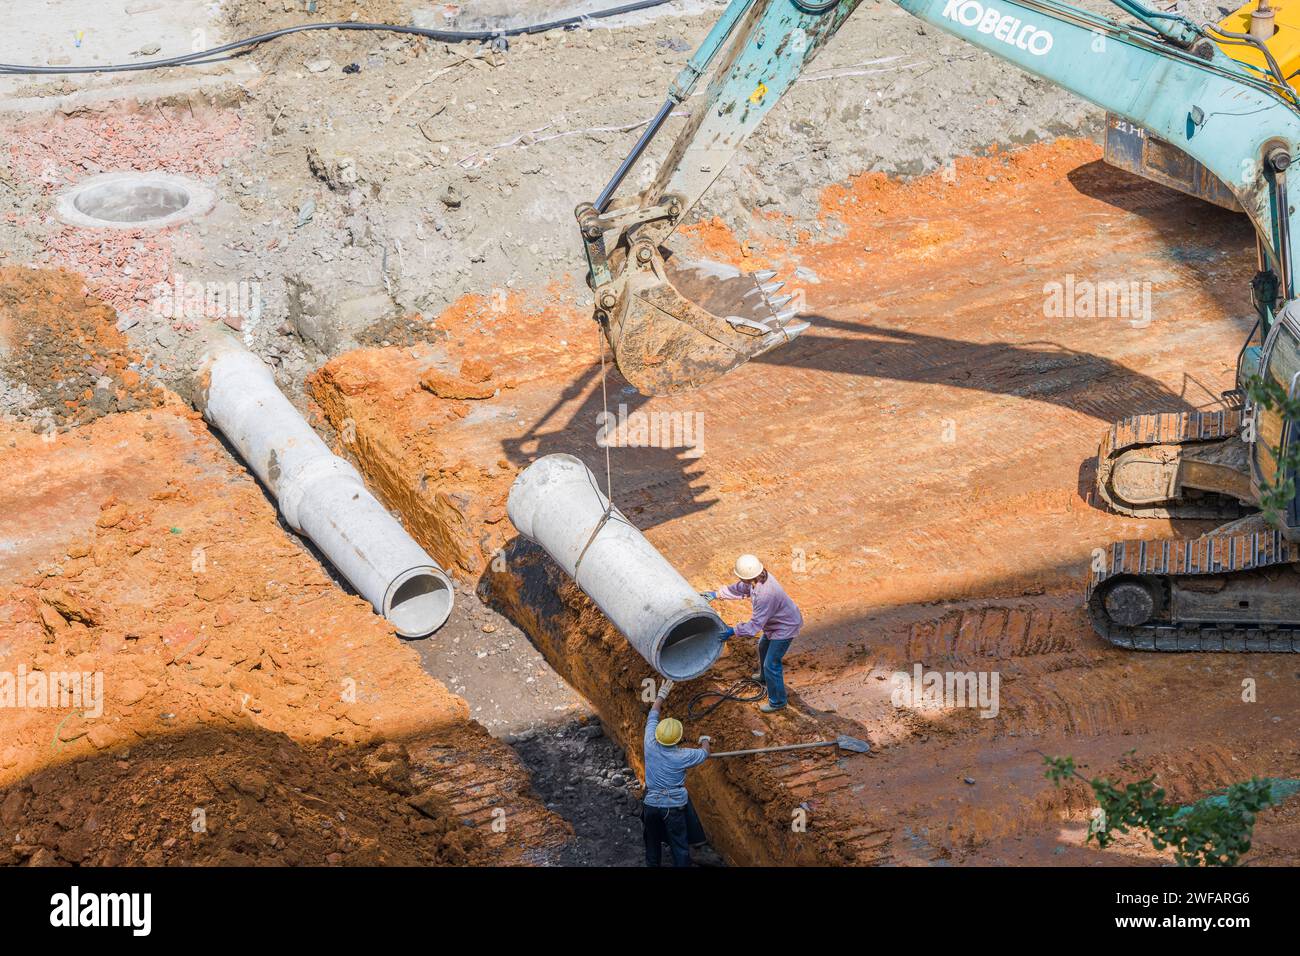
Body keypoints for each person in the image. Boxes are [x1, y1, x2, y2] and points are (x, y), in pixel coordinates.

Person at [702, 553, 803, 712]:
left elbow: (754, 625)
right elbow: (740, 588)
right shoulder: (757, 578)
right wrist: (717, 594)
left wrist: (732, 631)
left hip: (785, 627)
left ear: (748, 577)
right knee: (763, 646)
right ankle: (764, 677)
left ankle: (778, 702)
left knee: (771, 663)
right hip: (776, 623)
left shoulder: (765, 594)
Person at [640, 679, 711, 866]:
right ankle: (692, 849)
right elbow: (704, 753)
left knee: (652, 843)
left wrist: (661, 694)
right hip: (672, 809)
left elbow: (653, 715)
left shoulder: (649, 744)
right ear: (677, 739)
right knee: (679, 846)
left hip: (650, 805)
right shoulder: (683, 755)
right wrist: (705, 739)